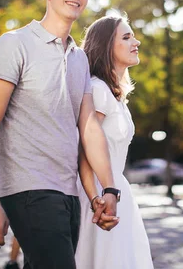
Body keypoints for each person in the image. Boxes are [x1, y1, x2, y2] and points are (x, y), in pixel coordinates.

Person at [0, 0, 120, 269]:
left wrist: (107, 189)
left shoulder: (79, 58)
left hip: (69, 192)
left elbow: (89, 126)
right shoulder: (14, 45)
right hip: (29, 188)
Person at [76, 15, 154, 268]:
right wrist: (95, 199)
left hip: (116, 190)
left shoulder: (113, 94)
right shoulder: (97, 90)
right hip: (100, 195)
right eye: (127, 36)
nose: (137, 41)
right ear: (106, 46)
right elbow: (84, 150)